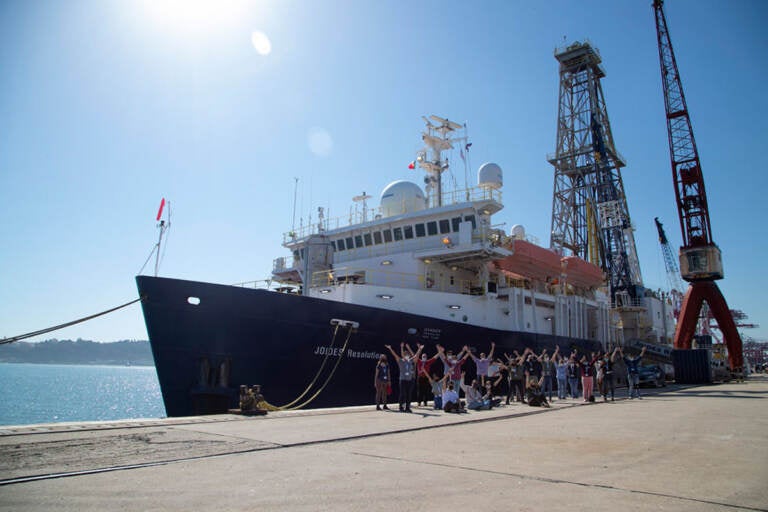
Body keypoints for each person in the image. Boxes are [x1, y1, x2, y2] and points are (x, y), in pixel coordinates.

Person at [385, 342, 424, 412]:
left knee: (409, 394)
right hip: (402, 380)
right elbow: (395, 355)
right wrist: (391, 348)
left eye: (408, 355)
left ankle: (407, 408)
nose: (407, 356)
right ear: (403, 355)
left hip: (409, 380)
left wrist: (420, 349)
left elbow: (416, 356)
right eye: (405, 355)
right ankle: (401, 407)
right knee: (403, 394)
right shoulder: (401, 361)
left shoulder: (410, 361)